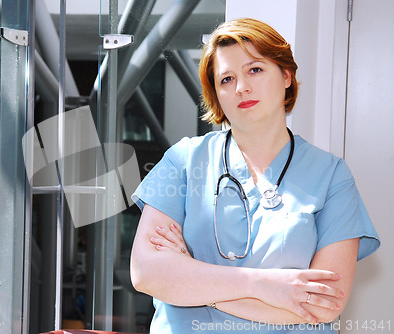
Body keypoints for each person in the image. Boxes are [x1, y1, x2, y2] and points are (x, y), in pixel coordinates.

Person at [129, 18, 380, 334]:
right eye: (226, 79)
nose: (241, 87)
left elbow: (322, 305)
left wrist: (194, 281)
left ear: (286, 75)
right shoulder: (184, 161)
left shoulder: (331, 176)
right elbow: (146, 273)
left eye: (255, 70)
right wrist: (263, 285)